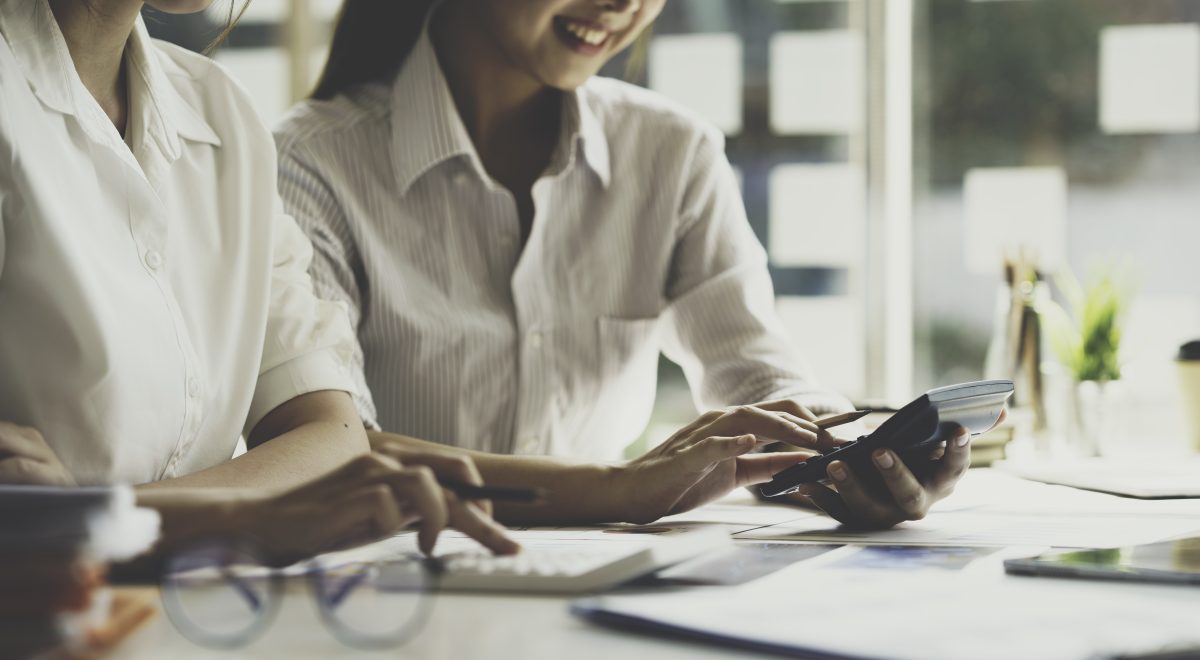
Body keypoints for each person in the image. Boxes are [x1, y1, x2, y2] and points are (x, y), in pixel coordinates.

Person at [274, 0, 978, 530]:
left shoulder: (671, 154)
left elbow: (759, 378)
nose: (621, 4)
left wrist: (847, 451)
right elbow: (331, 454)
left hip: (604, 594)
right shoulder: (309, 166)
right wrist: (616, 487)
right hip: (389, 601)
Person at [0, 0, 524, 564]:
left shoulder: (220, 109)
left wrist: (100, 519)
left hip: (194, 627)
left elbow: (331, 436)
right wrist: (240, 515)